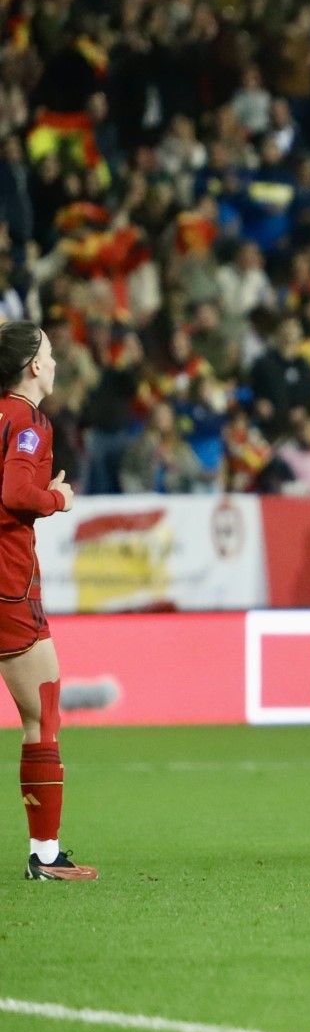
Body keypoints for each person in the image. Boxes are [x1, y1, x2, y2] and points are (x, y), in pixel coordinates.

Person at [0, 323, 93, 880]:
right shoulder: (29, 421)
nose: (55, 363)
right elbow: (15, 493)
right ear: (34, 366)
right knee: (43, 715)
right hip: (7, 586)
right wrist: (56, 497)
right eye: (51, 355)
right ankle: (46, 856)